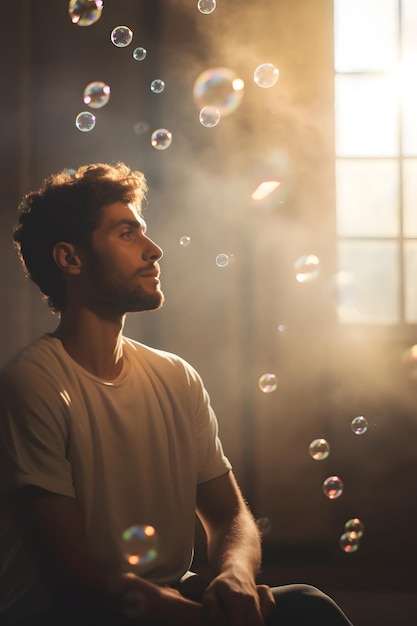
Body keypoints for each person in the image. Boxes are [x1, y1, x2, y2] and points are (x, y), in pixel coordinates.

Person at [0, 162, 354, 626]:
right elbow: (79, 578)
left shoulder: (175, 377)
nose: (154, 250)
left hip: (171, 598)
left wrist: (234, 576)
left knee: (308, 606)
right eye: (127, 234)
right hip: (72, 613)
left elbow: (230, 518)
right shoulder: (33, 384)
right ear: (71, 259)